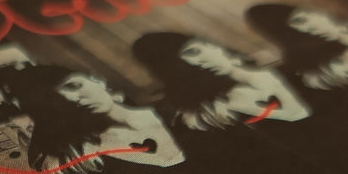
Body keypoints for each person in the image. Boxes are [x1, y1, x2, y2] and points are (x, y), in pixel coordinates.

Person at [0, 64, 184, 174]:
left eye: (74, 85)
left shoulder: (176, 114)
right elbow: (43, 162)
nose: (74, 99)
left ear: (97, 80)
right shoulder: (84, 152)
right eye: (57, 101)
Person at [131, 32, 310, 131]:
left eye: (193, 51)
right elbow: (297, 115)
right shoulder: (222, 104)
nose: (197, 63)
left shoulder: (289, 66)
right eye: (180, 65)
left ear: (208, 43)